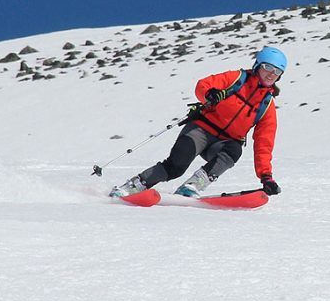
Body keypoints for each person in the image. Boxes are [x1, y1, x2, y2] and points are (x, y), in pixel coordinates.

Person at [109, 46, 286, 198]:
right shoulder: (236, 79)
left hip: (223, 143)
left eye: (277, 71)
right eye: (268, 67)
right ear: (257, 66)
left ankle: (192, 187)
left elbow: (264, 143)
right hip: (200, 130)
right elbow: (203, 85)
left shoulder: (266, 106)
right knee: (176, 166)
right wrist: (209, 94)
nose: (272, 74)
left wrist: (266, 176)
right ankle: (132, 187)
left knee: (234, 150)